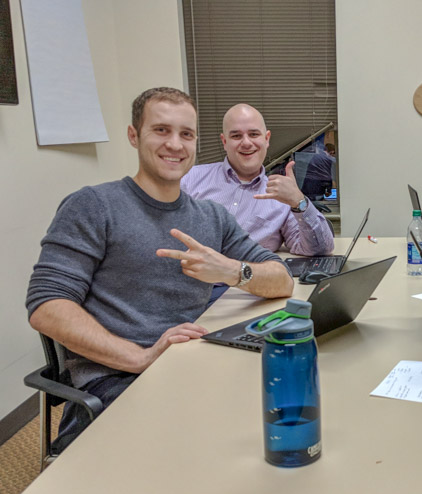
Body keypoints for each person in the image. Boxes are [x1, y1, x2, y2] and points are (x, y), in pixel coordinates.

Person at [26, 88, 294, 452]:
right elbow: (46, 306)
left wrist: (231, 270)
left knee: (280, 415)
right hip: (118, 377)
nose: (176, 145)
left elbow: (282, 280)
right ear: (134, 135)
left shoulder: (211, 216)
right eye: (161, 130)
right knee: (188, 452)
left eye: (186, 134)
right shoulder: (94, 206)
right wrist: (140, 357)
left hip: (194, 364)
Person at [181, 103, 335, 256]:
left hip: (250, 277)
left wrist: (298, 201)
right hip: (192, 276)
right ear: (224, 141)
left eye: (254, 134)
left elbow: (319, 249)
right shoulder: (189, 179)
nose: (247, 143)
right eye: (236, 136)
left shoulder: (281, 197)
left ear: (266, 139)